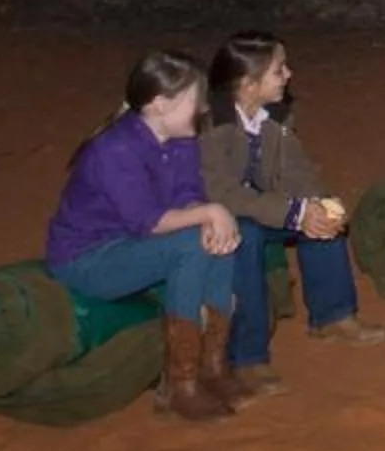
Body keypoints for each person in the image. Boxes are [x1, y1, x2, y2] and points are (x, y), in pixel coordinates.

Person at [43, 50, 247, 423]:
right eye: (195, 100)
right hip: (87, 259)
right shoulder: (115, 149)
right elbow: (146, 222)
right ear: (159, 105)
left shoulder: (179, 137)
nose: (203, 108)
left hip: (131, 245)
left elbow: (187, 192)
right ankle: (179, 384)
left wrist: (206, 214)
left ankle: (212, 365)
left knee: (218, 237)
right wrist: (208, 212)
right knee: (195, 240)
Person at [198, 31, 385, 401]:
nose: (288, 74)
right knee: (245, 236)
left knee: (321, 216)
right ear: (248, 85)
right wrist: (294, 213)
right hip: (210, 216)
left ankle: (333, 316)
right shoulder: (211, 124)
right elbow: (222, 193)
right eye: (279, 69)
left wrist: (319, 205)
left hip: (260, 207)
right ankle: (247, 356)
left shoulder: (275, 116)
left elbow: (297, 172)